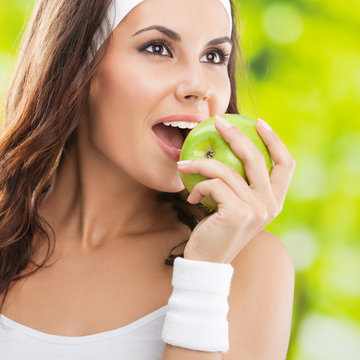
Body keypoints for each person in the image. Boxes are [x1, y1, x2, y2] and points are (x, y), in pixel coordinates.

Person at [0, 0, 296, 358]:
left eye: (214, 55)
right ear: (77, 67)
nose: (199, 85)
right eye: (158, 48)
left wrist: (204, 273)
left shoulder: (249, 265)